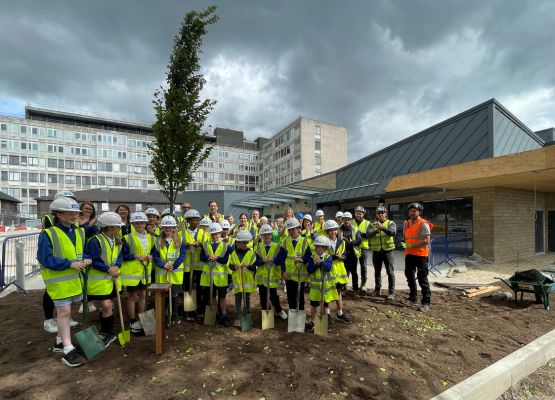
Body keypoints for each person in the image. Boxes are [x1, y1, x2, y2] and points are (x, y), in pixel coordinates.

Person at [37, 197, 90, 367]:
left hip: (74, 280)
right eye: (70, 213)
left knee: (66, 312)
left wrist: (87, 260)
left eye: (76, 213)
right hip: (58, 282)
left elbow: (83, 252)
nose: (75, 216)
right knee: (64, 312)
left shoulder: (79, 232)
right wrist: (69, 263)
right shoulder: (49, 233)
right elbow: (45, 259)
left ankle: (60, 341)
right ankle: (68, 350)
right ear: (58, 214)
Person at [41, 191, 81, 333]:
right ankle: (50, 321)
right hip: (56, 271)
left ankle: (62, 333)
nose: (74, 214)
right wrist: (67, 263)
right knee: (52, 296)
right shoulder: (49, 227)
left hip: (71, 273)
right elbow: (46, 255)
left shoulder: (76, 230)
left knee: (65, 308)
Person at [85, 211, 124, 347]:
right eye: (117, 226)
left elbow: (120, 256)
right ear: (109, 227)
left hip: (111, 280)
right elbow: (94, 259)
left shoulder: (117, 240)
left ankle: (108, 332)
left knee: (108, 306)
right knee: (106, 305)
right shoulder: (95, 241)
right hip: (99, 281)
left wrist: (117, 266)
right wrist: (108, 269)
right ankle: (106, 332)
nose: (119, 229)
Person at [120, 212, 154, 333]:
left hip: (145, 272)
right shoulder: (127, 238)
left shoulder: (151, 237)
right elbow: (122, 255)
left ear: (146, 224)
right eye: (137, 223)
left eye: (142, 223)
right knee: (132, 296)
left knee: (143, 295)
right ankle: (133, 321)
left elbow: (153, 251)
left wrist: (151, 256)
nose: (140, 225)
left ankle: (142, 318)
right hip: (133, 273)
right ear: (133, 224)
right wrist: (135, 256)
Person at [151, 215, 187, 324]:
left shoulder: (179, 240)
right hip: (162, 274)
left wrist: (174, 265)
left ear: (174, 228)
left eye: (170, 227)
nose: (168, 229)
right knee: (163, 295)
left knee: (174, 295)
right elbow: (155, 256)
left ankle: (174, 315)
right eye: (166, 227)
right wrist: (163, 264)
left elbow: (182, 255)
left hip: (174, 274)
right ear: (162, 228)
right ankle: (165, 315)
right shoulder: (157, 241)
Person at [275, 218, 312, 318]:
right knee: (291, 296)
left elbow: (309, 255)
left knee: (299, 297)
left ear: (298, 228)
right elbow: (281, 258)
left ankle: (300, 316)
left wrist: (303, 259)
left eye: (293, 229)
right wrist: (284, 271)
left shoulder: (304, 241)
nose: (291, 231)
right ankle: (292, 315)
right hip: (289, 275)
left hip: (300, 275)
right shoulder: (285, 242)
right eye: (290, 229)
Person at [400, 203, 433, 312]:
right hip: (409, 254)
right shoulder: (406, 223)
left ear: (419, 212)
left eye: (414, 211)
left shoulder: (423, 224)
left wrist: (410, 245)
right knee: (410, 277)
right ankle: (412, 298)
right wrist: (403, 242)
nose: (412, 213)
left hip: (421, 255)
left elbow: (426, 241)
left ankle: (426, 302)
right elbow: (405, 237)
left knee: (422, 279)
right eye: (410, 211)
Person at [200, 223, 231, 327]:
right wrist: (208, 257)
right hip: (209, 277)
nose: (214, 236)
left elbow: (225, 260)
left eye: (216, 234)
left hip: (221, 277)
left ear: (220, 233)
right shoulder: (205, 245)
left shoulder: (225, 245)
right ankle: (215, 315)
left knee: (222, 297)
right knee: (212, 296)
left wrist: (216, 258)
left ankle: (224, 315)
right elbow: (202, 258)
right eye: (212, 234)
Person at [254, 224, 287, 320]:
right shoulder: (258, 247)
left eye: (269, 234)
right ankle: (266, 312)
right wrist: (262, 261)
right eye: (265, 235)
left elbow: (282, 260)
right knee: (263, 296)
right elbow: (255, 261)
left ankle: (279, 310)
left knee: (273, 296)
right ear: (262, 236)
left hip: (272, 276)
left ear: (272, 235)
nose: (267, 236)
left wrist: (274, 259)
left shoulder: (278, 247)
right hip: (262, 277)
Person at [178, 209, 207, 321]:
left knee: (200, 288)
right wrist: (185, 245)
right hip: (187, 266)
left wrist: (201, 245)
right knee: (187, 287)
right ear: (189, 221)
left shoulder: (204, 233)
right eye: (195, 219)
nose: (197, 221)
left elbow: (208, 248)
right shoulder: (181, 234)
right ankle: (189, 310)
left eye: (198, 219)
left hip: (199, 266)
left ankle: (199, 309)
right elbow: (177, 246)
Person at [305, 235, 337, 332]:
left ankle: (325, 320)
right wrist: (316, 264)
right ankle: (313, 321)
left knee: (325, 304)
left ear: (324, 248)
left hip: (325, 287)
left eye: (319, 247)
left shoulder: (328, 257)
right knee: (314, 305)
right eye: (316, 246)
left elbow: (328, 268)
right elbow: (309, 270)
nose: (316, 248)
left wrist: (321, 263)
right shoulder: (312, 257)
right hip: (315, 288)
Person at [324, 219, 352, 323]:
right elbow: (321, 256)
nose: (333, 232)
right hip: (328, 271)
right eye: (331, 230)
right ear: (327, 231)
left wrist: (342, 257)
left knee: (338, 292)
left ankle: (340, 313)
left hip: (338, 272)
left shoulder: (341, 242)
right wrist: (335, 257)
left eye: (335, 230)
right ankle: (327, 314)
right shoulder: (324, 242)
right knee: (326, 293)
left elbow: (345, 255)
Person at [367, 206, 397, 301]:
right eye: (379, 213)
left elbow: (392, 232)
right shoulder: (372, 224)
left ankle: (391, 292)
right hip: (376, 252)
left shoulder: (391, 223)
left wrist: (383, 228)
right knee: (377, 271)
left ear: (386, 213)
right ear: (376, 214)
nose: (381, 214)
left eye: (382, 212)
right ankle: (377, 290)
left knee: (390, 272)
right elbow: (368, 234)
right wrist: (376, 230)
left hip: (388, 251)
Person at [228, 230, 257, 327]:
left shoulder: (251, 254)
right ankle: (237, 317)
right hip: (237, 282)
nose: (236, 243)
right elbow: (230, 266)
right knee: (237, 300)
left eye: (238, 241)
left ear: (244, 242)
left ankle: (248, 316)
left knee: (247, 300)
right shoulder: (234, 253)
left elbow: (254, 268)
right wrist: (234, 267)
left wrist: (248, 266)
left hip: (247, 282)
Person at [339, 212, 362, 293]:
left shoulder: (355, 229)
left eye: (348, 220)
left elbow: (359, 240)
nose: (347, 221)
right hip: (342, 254)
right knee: (344, 272)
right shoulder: (339, 229)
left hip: (352, 254)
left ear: (351, 220)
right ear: (342, 220)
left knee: (354, 272)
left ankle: (355, 289)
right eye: (345, 219)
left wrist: (350, 242)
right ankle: (344, 289)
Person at [353, 206, 371, 295]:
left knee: (363, 267)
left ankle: (363, 284)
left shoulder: (367, 223)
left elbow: (369, 234)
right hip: (353, 247)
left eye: (360, 213)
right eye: (357, 213)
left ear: (363, 214)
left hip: (363, 247)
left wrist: (360, 234)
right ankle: (354, 286)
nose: (358, 215)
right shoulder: (351, 222)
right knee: (353, 267)